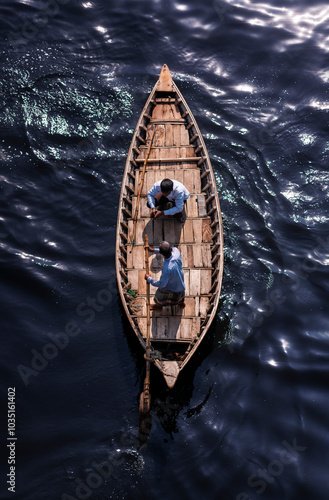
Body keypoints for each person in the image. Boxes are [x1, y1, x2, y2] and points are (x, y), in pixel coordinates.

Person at [144, 241, 185, 310]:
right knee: (180, 295)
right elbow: (170, 250)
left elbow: (162, 284)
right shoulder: (176, 251)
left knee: (160, 296)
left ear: (162, 254)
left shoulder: (167, 268)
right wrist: (153, 250)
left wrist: (149, 279)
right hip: (180, 283)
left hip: (171, 287)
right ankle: (181, 303)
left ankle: (158, 306)